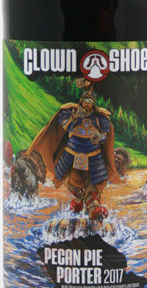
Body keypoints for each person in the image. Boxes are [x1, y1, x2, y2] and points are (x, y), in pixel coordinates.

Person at [27, 89, 120, 220]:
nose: (87, 104)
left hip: (93, 155)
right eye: (85, 101)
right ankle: (79, 197)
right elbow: (65, 126)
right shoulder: (71, 112)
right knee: (65, 177)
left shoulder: (99, 117)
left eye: (90, 102)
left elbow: (105, 134)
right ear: (81, 102)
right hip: (72, 151)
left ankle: (94, 208)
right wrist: (74, 117)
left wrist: (99, 137)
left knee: (94, 182)